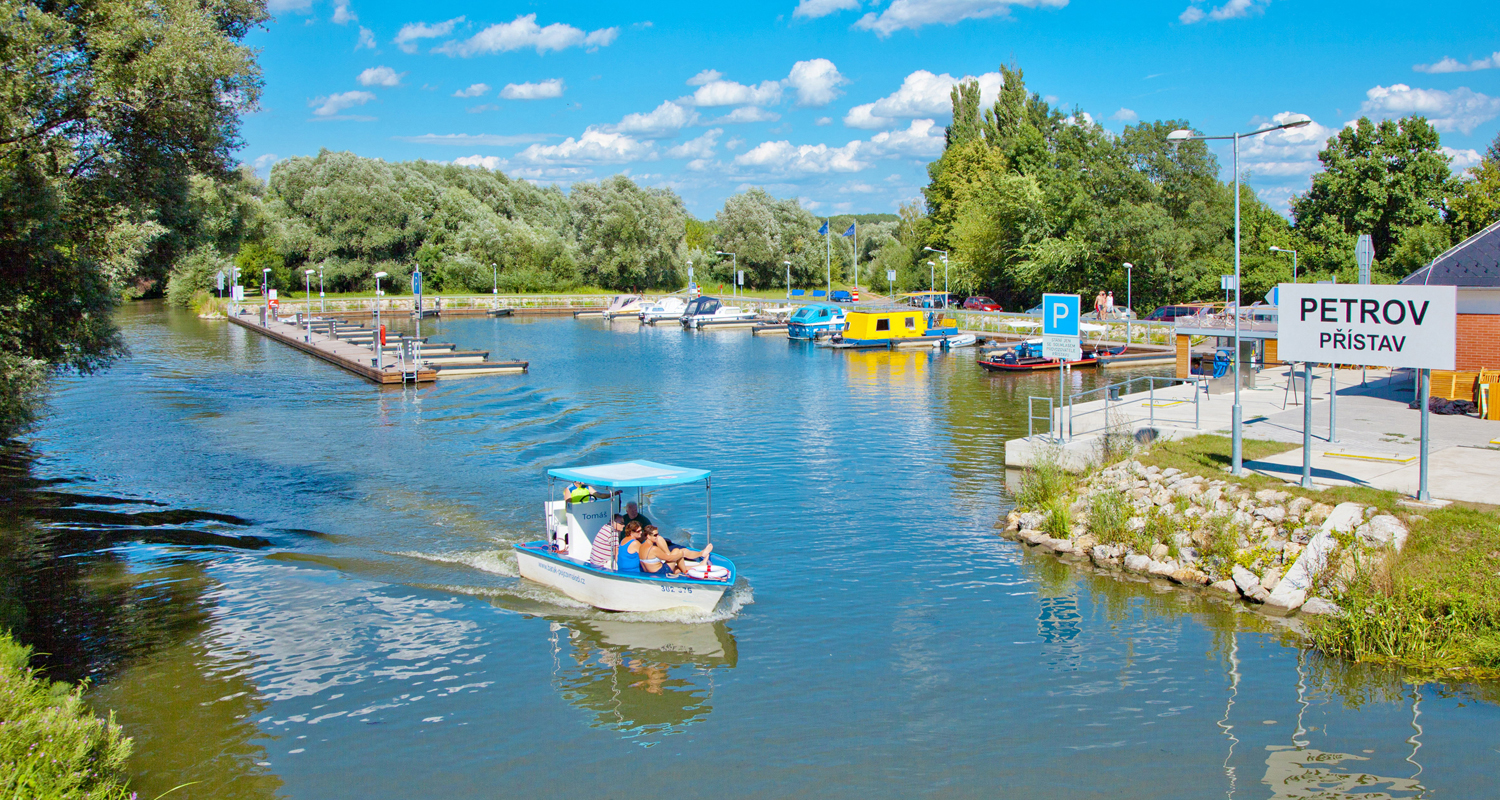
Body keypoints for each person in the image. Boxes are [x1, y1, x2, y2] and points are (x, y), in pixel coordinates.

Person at [638, 526, 712, 576]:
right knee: (677, 551)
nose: (657, 537)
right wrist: (681, 554)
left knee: (677, 568)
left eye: (658, 534)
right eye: (655, 535)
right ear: (648, 536)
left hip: (648, 571)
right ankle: (686, 571)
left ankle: (698, 566)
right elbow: (669, 558)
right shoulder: (653, 549)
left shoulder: (642, 546)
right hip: (660, 572)